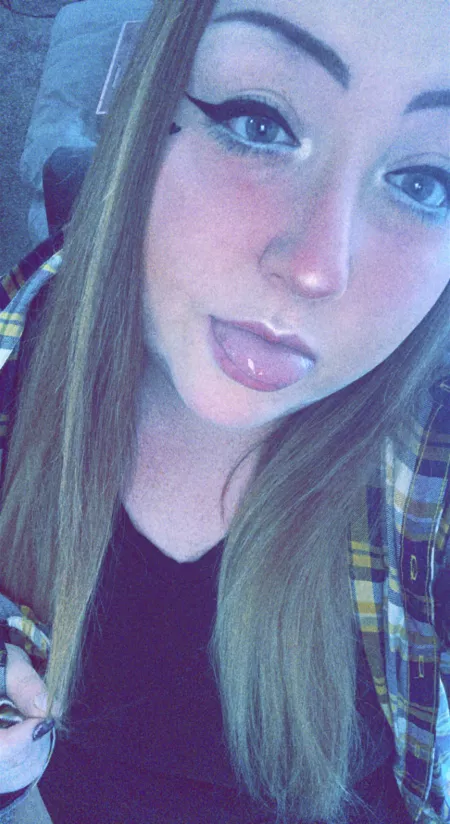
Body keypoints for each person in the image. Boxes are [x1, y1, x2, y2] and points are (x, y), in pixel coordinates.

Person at [0, 0, 449, 821]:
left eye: (426, 182)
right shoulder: (19, 341)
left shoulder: (429, 483)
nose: (317, 267)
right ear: (150, 110)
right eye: (259, 121)